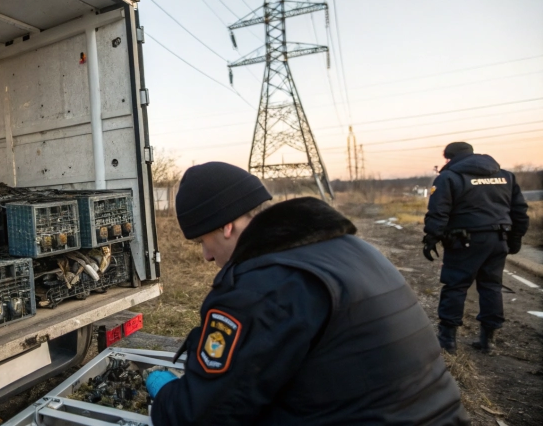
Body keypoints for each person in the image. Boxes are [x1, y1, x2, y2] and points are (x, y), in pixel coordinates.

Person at [147, 162, 469, 425]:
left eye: (203, 241)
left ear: (226, 226)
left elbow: (202, 417)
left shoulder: (262, 286)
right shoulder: (349, 249)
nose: (205, 256)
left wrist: (165, 397)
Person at [423, 142, 529, 355]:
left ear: (449, 157)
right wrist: (515, 238)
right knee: (491, 286)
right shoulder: (505, 176)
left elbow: (439, 211)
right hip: (498, 238)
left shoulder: (449, 177)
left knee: (456, 285)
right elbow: (519, 210)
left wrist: (431, 239)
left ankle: (448, 341)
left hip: (464, 240)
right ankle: (487, 341)